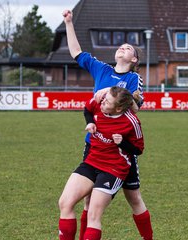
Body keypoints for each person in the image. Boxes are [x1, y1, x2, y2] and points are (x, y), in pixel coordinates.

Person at [63, 9, 153, 240]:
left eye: (128, 48)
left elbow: (136, 104)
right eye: (120, 46)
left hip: (121, 149)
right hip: (95, 145)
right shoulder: (101, 68)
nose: (123, 47)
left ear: (133, 60)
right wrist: (69, 22)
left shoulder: (134, 79)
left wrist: (113, 93)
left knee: (134, 198)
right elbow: (76, 52)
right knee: (87, 200)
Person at [58, 87, 144, 240]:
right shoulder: (99, 102)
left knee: (93, 214)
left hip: (114, 169)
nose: (103, 101)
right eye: (105, 97)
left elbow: (138, 149)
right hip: (92, 162)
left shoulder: (132, 121)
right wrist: (90, 122)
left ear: (118, 108)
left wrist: (122, 143)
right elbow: (87, 108)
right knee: (65, 203)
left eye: (107, 101)